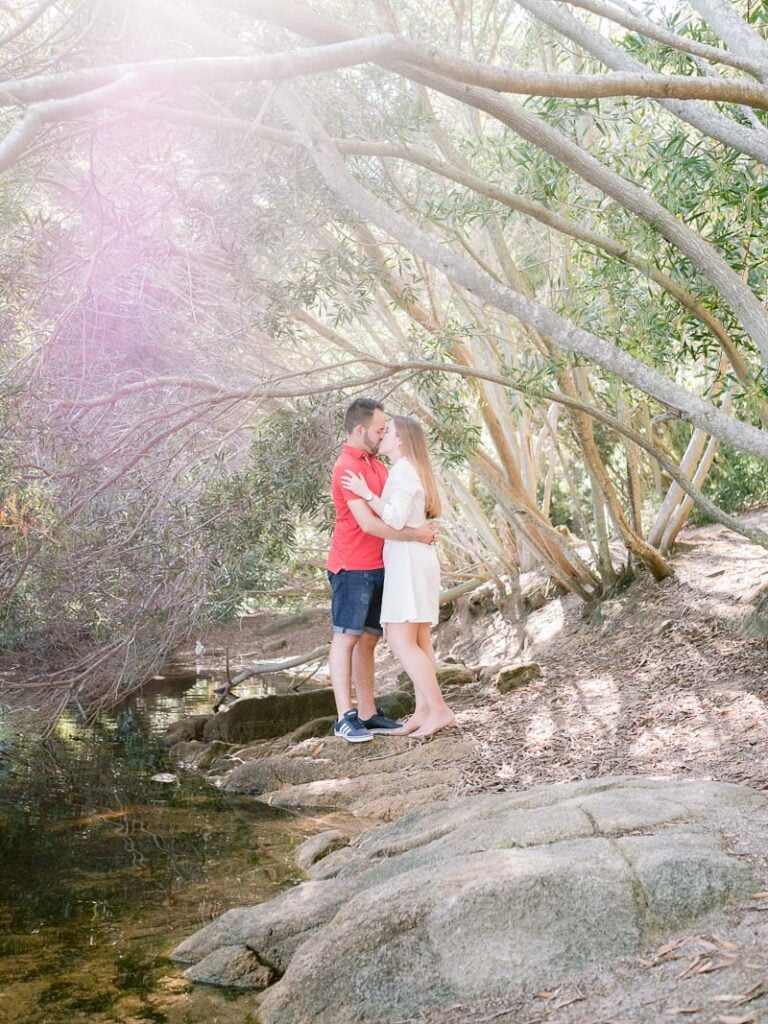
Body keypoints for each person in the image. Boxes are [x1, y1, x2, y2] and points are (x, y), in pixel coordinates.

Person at [327, 398, 437, 743]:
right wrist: (417, 534)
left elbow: (398, 508)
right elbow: (369, 524)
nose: (382, 433)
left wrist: (418, 530)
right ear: (360, 430)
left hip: (385, 564)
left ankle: (367, 713)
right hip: (353, 564)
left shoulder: (381, 466)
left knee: (370, 640)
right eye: (379, 429)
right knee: (346, 637)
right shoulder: (347, 467)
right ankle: (345, 717)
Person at [343, 415, 455, 738]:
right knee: (419, 640)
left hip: (408, 563)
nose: (383, 435)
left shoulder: (404, 471)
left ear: (402, 439)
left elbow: (393, 519)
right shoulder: (408, 470)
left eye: (388, 431)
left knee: (399, 640)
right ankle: (423, 711)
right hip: (415, 561)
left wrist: (365, 493)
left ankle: (439, 710)